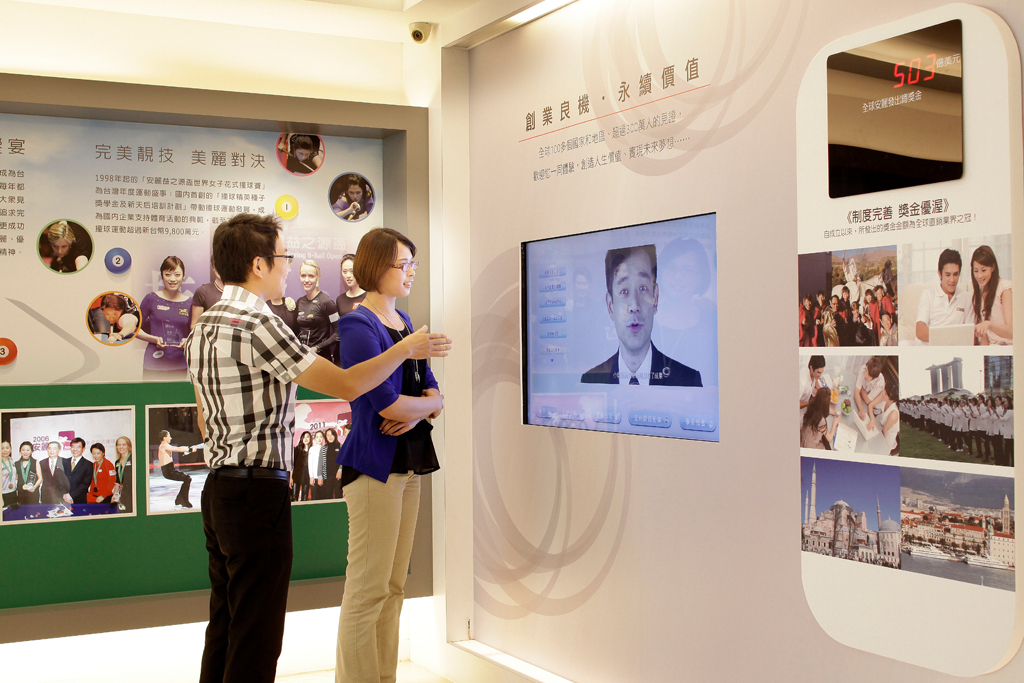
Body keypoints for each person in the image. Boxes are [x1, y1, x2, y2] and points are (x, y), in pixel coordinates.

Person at [184, 213, 450, 683]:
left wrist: (424, 394)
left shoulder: (205, 326)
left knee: (227, 622)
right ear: (258, 264)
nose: (289, 267)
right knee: (257, 632)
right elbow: (349, 385)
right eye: (283, 257)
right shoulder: (257, 322)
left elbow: (205, 417)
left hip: (221, 485)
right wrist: (406, 350)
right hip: (258, 488)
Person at [335, 227, 445, 683]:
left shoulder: (404, 321)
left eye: (413, 264)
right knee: (368, 590)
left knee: (394, 587)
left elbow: (433, 394)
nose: (411, 272)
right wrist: (423, 406)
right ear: (377, 266)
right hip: (373, 467)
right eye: (404, 264)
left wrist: (424, 410)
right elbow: (387, 404)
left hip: (409, 463)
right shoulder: (358, 324)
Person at [580, 245, 702, 386]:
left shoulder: (688, 380)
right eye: (624, 291)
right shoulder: (590, 382)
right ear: (610, 306)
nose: (634, 306)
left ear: (655, 298)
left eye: (643, 288)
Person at [137, 256, 194, 378]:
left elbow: (196, 332)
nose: (172, 279)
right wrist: (154, 339)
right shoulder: (151, 299)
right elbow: (134, 329)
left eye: (177, 275)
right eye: (168, 274)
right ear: (162, 276)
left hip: (179, 363)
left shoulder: (190, 303)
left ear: (183, 276)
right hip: (153, 363)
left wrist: (188, 340)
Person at [916, 248, 970, 344]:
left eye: (956, 274)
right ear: (940, 274)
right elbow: (920, 332)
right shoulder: (928, 294)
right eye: (948, 275)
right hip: (928, 348)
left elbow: (969, 335)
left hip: (954, 349)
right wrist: (950, 336)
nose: (952, 280)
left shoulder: (966, 298)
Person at [297, 259, 340, 364]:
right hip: (304, 358)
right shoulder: (299, 302)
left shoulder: (326, 302)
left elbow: (338, 333)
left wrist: (317, 348)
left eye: (311, 276)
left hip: (321, 359)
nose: (306, 280)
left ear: (318, 277)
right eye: (303, 276)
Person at [969, 245, 1012, 345]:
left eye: (984, 270)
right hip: (992, 348)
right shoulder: (979, 294)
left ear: (993, 267)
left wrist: (989, 325)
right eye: (976, 271)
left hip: (1008, 346)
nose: (979, 276)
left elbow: (1011, 331)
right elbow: (984, 337)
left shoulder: (1004, 288)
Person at [157, 430, 194, 509]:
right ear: (164, 438)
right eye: (169, 436)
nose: (171, 438)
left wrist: (187, 451)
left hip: (170, 470)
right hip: (169, 471)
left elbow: (178, 449)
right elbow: (178, 449)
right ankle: (182, 500)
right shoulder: (163, 446)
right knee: (187, 478)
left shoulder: (165, 446)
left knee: (187, 479)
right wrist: (189, 449)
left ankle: (180, 499)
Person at [854, 357, 886, 432]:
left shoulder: (880, 382)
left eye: (868, 375)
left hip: (875, 411)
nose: (865, 375)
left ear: (874, 378)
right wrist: (861, 409)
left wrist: (860, 388)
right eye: (866, 371)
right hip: (864, 402)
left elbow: (868, 400)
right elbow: (856, 391)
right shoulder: (864, 369)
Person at [191, 264, 224, 329]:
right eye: (218, 264)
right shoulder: (203, 291)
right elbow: (194, 326)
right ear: (213, 267)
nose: (222, 269)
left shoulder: (239, 291)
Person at [63, 437, 92, 504]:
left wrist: (71, 496)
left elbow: (85, 484)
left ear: (83, 449)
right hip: (64, 499)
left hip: (79, 500)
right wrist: (65, 495)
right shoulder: (64, 462)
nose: (75, 449)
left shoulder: (88, 464)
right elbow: (60, 479)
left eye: (78, 447)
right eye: (73, 447)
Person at [798, 356, 826, 424]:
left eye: (821, 372)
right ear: (811, 368)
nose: (820, 375)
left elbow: (815, 378)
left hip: (807, 406)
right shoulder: (802, 383)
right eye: (818, 372)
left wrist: (821, 390)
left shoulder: (812, 372)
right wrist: (810, 403)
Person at [879, 375, 900, 455]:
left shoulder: (893, 414)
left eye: (885, 394)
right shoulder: (885, 401)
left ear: (891, 398)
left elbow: (884, 432)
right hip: (880, 429)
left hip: (886, 438)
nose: (882, 394)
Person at [112, 436, 133, 513]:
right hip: (124, 494)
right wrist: (115, 495)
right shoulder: (117, 462)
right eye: (119, 445)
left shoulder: (133, 459)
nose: (121, 447)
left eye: (124, 444)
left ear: (128, 446)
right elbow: (117, 481)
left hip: (133, 493)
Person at [306, 430, 328, 500]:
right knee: (315, 498)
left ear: (323, 438)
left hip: (323, 477)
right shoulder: (312, 449)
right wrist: (311, 476)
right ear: (315, 438)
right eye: (317, 437)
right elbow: (310, 463)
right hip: (315, 477)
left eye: (321, 437)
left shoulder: (325, 448)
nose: (319, 439)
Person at [15, 442, 38, 506]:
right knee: (22, 510)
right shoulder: (16, 464)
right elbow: (16, 478)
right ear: (20, 451)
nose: (25, 452)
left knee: (33, 510)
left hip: (33, 492)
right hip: (21, 492)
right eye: (23, 450)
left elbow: (40, 478)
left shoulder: (35, 462)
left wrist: (34, 487)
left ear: (31, 451)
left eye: (28, 450)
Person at [292, 431, 312, 502]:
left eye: (307, 437)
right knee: (294, 496)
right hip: (297, 474)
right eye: (304, 437)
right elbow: (293, 462)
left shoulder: (312, 449)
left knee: (305, 496)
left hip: (307, 474)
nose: (306, 439)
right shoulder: (297, 449)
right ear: (301, 439)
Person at [324, 427, 341, 499]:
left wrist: (340, 471)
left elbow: (342, 460)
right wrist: (321, 476)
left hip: (338, 476)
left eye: (332, 435)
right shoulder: (324, 448)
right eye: (328, 435)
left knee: (338, 495)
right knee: (328, 497)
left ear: (335, 435)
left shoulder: (340, 446)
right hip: (327, 476)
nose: (330, 437)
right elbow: (321, 463)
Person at [1, 441, 17, 509]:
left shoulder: (11, 460)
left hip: (13, 492)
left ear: (11, 449)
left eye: (7, 448)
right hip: (3, 494)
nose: (5, 450)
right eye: (2, 448)